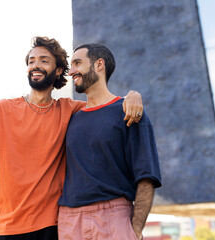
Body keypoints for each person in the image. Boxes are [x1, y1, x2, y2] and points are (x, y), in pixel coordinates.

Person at [0, 37, 144, 240]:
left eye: (44, 60)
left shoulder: (70, 110)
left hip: (53, 226)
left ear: (57, 70)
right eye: (31, 61)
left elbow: (104, 106)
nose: (36, 65)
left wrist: (131, 97)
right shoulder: (2, 110)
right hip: (9, 228)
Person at [57, 43, 162, 240]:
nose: (71, 71)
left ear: (99, 65)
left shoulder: (128, 111)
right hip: (69, 219)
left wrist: (136, 229)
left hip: (114, 216)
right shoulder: (70, 117)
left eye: (77, 63)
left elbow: (147, 175)